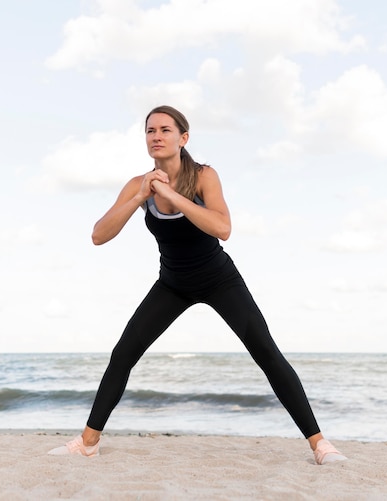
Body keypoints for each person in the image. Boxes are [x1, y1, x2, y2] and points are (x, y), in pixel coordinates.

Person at [48, 105, 347, 465]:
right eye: (150, 131)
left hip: (219, 280)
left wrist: (173, 197)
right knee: (123, 354)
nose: (156, 136)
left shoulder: (205, 176)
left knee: (266, 353)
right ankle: (88, 442)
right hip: (172, 284)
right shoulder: (137, 185)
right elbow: (99, 235)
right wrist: (141, 196)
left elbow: (223, 228)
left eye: (165, 130)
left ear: (183, 138)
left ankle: (319, 444)